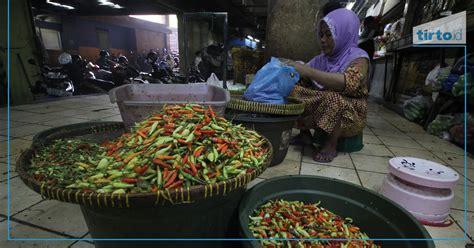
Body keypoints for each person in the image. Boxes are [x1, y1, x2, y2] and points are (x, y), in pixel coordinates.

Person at [282, 8, 370, 163]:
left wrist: (309, 71)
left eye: (329, 35)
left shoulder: (359, 58)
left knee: (334, 98)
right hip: (325, 104)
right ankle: (305, 134)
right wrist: (290, 69)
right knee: (293, 88)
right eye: (321, 35)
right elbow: (303, 74)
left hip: (350, 113)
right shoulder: (322, 59)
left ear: (344, 33)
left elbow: (348, 83)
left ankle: (331, 144)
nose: (323, 40)